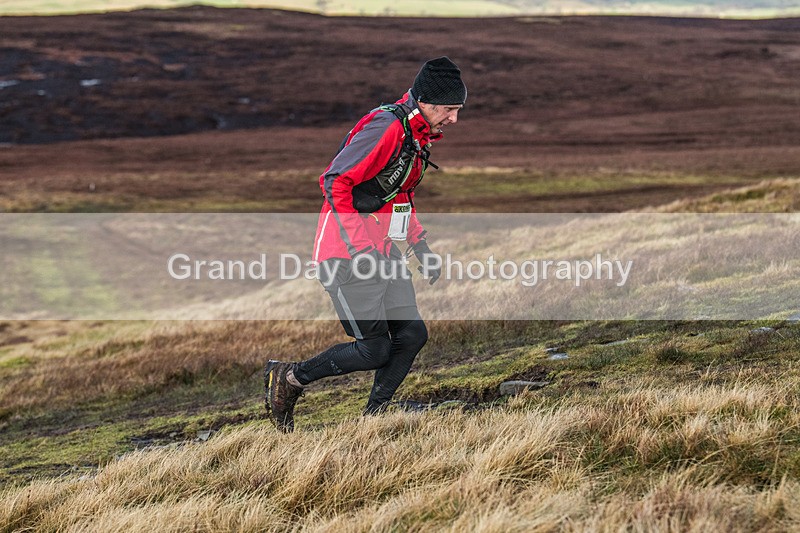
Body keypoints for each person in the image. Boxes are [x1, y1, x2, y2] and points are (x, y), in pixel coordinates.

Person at [264, 57, 466, 432]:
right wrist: (361, 250)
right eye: (450, 109)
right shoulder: (386, 127)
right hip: (346, 255)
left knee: (411, 335)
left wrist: (420, 246)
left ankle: (375, 417)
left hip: (384, 252)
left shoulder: (416, 135)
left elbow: (397, 192)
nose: (454, 119)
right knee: (373, 349)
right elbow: (334, 182)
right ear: (427, 100)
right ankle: (289, 378)